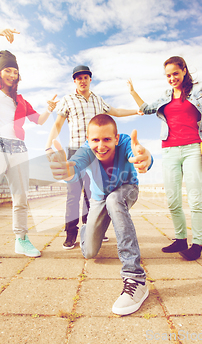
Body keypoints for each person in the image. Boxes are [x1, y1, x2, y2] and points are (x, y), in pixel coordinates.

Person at [127, 24, 202, 261]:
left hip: (193, 149)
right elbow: (145, 109)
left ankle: (197, 244)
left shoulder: (198, 90)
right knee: (173, 199)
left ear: (184, 70)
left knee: (195, 198)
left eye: (175, 73)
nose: (172, 78)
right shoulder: (166, 97)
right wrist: (133, 91)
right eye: (168, 75)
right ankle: (180, 238)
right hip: (170, 151)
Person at [0, 28, 58, 263]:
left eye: (15, 71)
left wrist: (49, 108)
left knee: (21, 198)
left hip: (18, 148)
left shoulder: (21, 100)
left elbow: (38, 120)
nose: (12, 74)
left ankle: (21, 239)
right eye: (8, 70)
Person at [49, 114, 153, 316]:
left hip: (126, 189)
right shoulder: (87, 151)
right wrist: (65, 169)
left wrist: (146, 158)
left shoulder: (125, 143)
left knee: (115, 200)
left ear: (116, 138)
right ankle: (89, 230)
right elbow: (74, 166)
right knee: (89, 252)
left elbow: (141, 154)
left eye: (107, 139)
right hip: (98, 198)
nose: (101, 146)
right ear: (88, 140)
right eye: (95, 140)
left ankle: (135, 277)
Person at [45, 65, 140, 250]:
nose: (82, 80)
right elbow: (58, 124)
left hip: (96, 152)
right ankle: (71, 233)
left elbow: (116, 112)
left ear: (90, 79)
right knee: (73, 195)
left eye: (85, 77)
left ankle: (93, 230)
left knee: (92, 195)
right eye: (78, 78)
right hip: (76, 152)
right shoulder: (68, 100)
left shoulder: (98, 100)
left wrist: (136, 111)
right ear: (75, 81)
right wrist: (49, 145)